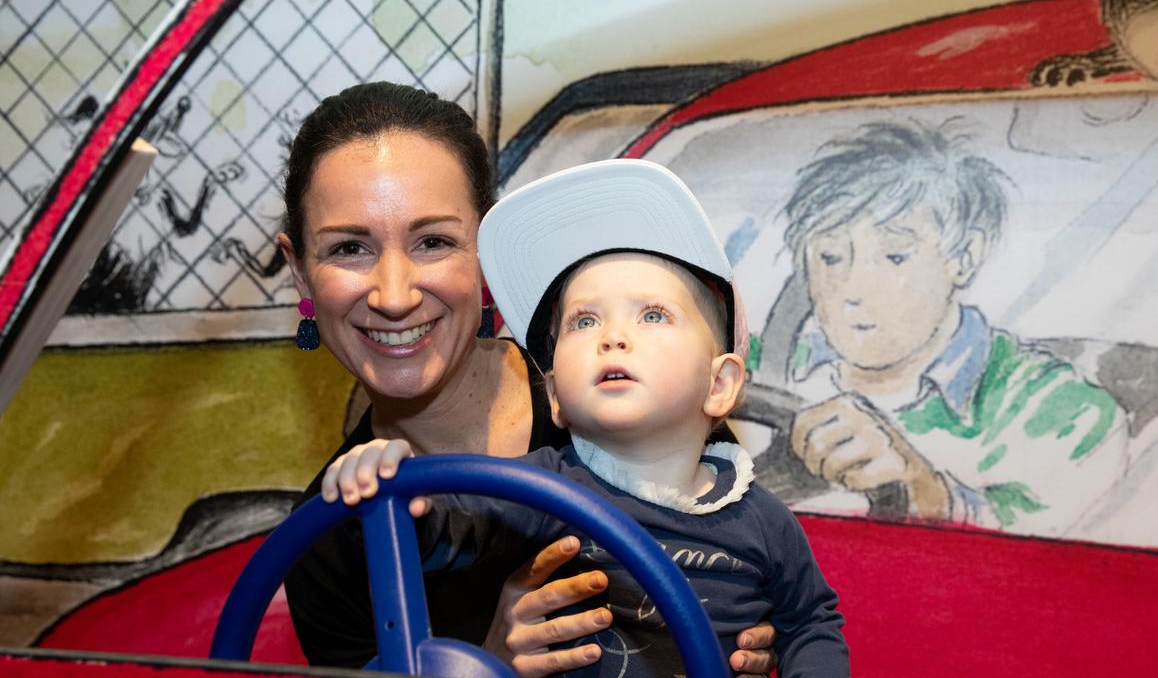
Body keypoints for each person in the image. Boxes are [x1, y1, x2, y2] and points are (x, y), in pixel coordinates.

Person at [277, 82, 777, 676]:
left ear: (484, 252)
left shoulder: (631, 396)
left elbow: (753, 588)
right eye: (350, 248)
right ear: (301, 273)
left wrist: (749, 645)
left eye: (433, 242)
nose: (394, 295)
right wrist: (487, 664)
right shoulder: (328, 534)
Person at [326, 159, 850, 676]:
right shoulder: (542, 487)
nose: (613, 336)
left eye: (652, 315)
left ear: (718, 385)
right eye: (584, 319)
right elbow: (444, 532)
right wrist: (385, 487)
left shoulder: (760, 518)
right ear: (554, 394)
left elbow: (810, 622)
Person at [781, 118, 1126, 531]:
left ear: (963, 256)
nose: (852, 290)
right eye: (831, 258)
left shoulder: (1060, 411)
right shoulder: (761, 366)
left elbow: (1052, 560)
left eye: (894, 257)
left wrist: (926, 492)